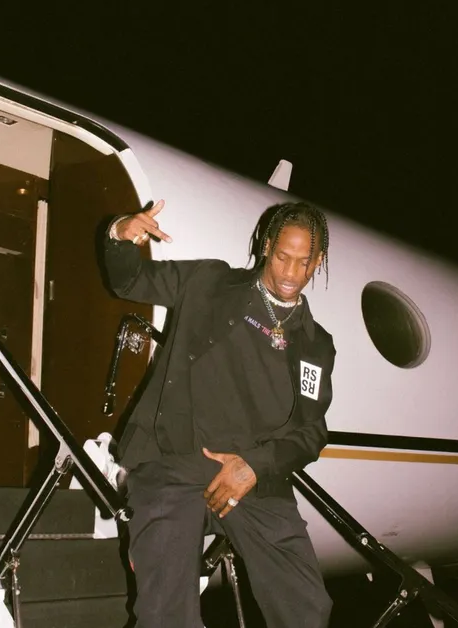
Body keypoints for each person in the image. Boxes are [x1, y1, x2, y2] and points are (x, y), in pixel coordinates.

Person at [104, 198, 336, 628]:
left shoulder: (315, 344)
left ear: (317, 261)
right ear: (267, 247)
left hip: (252, 480)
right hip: (173, 463)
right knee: (167, 615)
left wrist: (255, 467)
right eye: (282, 257)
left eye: (304, 262)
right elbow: (128, 280)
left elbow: (311, 431)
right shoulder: (209, 282)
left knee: (308, 609)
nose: (290, 273)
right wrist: (120, 234)